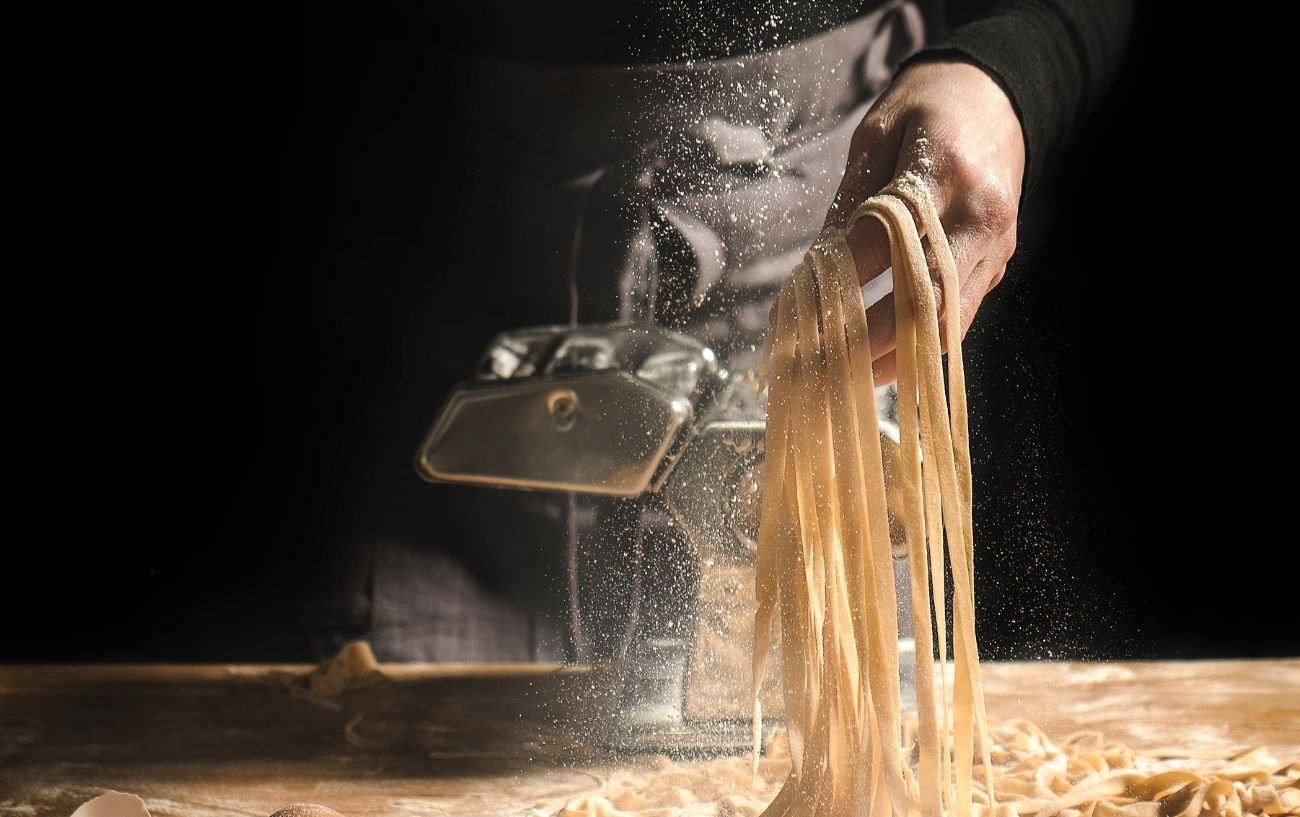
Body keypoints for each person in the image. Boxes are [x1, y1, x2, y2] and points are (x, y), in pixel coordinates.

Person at [267, 0, 1136, 663]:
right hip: (437, 232)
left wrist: (1011, 64)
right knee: (381, 749)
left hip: (822, 181)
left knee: (823, 719)